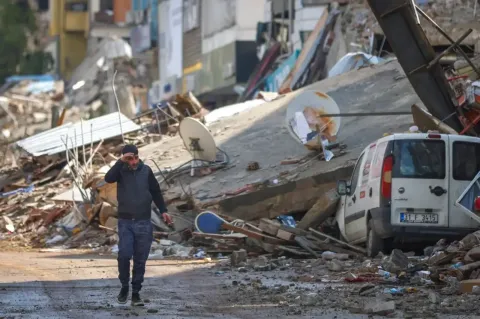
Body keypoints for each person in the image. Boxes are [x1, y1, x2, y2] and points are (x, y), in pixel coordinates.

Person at [104, 144, 172, 306]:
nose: (133, 161)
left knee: (140, 259)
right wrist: (120, 162)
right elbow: (108, 178)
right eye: (129, 158)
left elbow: (155, 191)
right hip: (125, 222)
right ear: (124, 159)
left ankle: (136, 293)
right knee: (124, 255)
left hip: (144, 222)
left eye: (135, 157)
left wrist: (163, 210)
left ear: (138, 156)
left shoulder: (146, 171)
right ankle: (124, 287)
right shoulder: (120, 171)